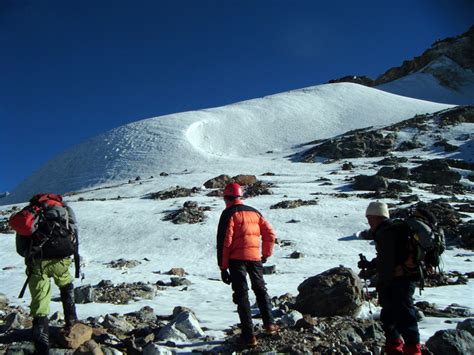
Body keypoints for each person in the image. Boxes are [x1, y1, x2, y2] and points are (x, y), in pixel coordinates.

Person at [13, 194, 79, 355]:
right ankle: (71, 321)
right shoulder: (63, 209)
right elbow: (74, 232)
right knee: (65, 285)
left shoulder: (31, 212)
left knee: (40, 299)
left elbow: (21, 240)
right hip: (61, 260)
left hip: (37, 261)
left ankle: (41, 341)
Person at [216, 183, 279, 347]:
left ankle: (249, 336)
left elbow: (224, 242)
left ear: (226, 198)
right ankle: (270, 325)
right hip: (255, 258)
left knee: (242, 295)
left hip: (236, 260)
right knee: (260, 289)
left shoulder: (228, 213)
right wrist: (265, 254)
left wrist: (223, 267)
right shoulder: (254, 212)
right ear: (240, 196)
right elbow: (270, 234)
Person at [358, 201, 421, 355]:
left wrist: (378, 276)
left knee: (403, 317)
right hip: (400, 280)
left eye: (369, 218)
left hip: (398, 281)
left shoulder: (386, 233)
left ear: (376, 217)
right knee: (394, 316)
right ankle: (399, 348)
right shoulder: (390, 231)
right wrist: (371, 264)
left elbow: (387, 261)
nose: (368, 222)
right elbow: (387, 259)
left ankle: (409, 350)